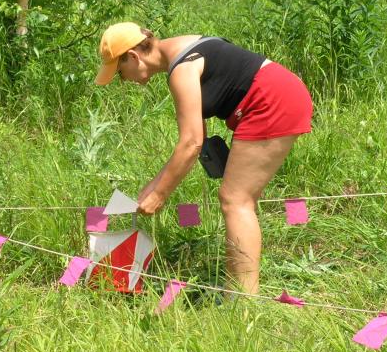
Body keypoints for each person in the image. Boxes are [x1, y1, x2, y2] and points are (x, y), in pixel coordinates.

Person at [94, 23, 313, 295]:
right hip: (280, 92)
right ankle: (240, 293)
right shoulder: (183, 48)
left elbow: (191, 143)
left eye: (119, 73)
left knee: (235, 201)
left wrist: (160, 194)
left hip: (270, 100)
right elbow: (194, 137)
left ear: (133, 56)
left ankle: (241, 300)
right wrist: (154, 184)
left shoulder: (181, 69)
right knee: (239, 200)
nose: (124, 80)